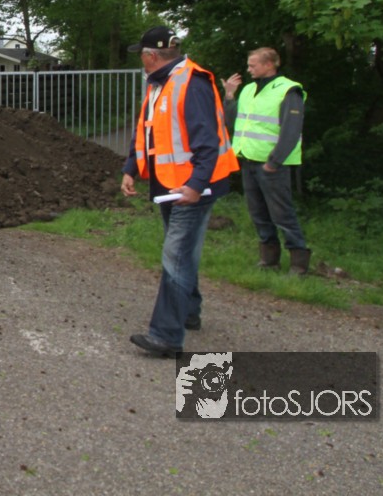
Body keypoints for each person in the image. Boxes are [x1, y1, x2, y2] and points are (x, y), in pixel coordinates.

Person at [121, 26, 239, 357]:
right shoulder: (161, 83)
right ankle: (188, 312)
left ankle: (166, 336)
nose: (141, 61)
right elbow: (145, 131)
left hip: (191, 187)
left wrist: (196, 185)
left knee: (175, 256)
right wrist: (130, 168)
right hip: (171, 185)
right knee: (184, 252)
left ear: (151, 56)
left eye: (141, 55)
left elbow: (208, 141)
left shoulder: (191, 82)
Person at [223, 47, 310, 275]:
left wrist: (274, 161)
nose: (248, 69)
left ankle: (299, 262)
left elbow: (291, 130)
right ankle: (269, 260)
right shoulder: (248, 89)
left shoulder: (288, 90)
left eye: (253, 65)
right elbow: (232, 122)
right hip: (248, 160)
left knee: (282, 214)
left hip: (272, 165)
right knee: (258, 213)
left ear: (269, 64)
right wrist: (229, 96)